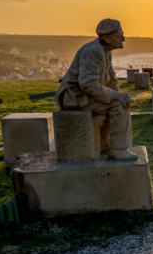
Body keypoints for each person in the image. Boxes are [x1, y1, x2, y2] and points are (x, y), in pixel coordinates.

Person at [56, 18, 137, 161]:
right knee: (119, 106)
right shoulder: (93, 52)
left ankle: (105, 146)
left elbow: (111, 78)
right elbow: (88, 84)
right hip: (75, 97)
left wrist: (117, 94)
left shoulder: (105, 51)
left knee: (119, 101)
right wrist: (117, 98)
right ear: (106, 38)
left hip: (84, 94)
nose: (123, 39)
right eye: (119, 35)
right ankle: (118, 149)